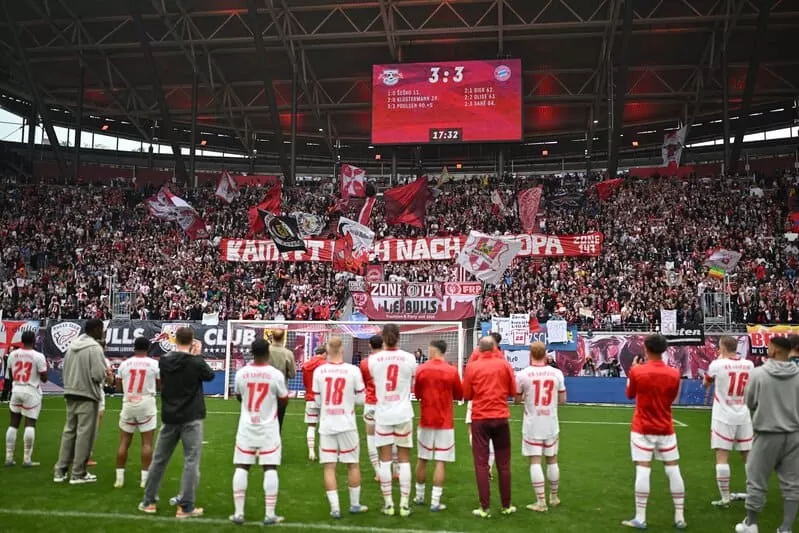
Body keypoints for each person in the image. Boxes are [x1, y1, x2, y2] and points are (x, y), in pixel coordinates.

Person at [139, 327, 214, 519]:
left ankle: (149, 501)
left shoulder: (165, 361)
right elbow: (209, 375)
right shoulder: (194, 362)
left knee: (159, 459)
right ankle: (185, 506)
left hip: (170, 415)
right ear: (192, 342)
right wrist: (197, 355)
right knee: (191, 461)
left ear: (175, 340)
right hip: (191, 416)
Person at [735, 337, 799, 533]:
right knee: (793, 484)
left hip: (767, 434)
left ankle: (751, 523)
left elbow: (750, 402)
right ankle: (786, 528)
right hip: (794, 435)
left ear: (775, 350)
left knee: (756, 480)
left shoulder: (758, 374)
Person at [622, 334, 686, 530]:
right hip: (665, 426)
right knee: (673, 469)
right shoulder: (674, 373)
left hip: (642, 427)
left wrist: (633, 370)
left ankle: (640, 517)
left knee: (643, 469)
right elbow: (672, 398)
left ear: (646, 349)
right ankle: (679, 516)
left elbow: (629, 394)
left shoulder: (637, 371)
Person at [230, 339, 288, 525]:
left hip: (247, 426)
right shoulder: (275, 375)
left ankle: (239, 513)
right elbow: (284, 399)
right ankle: (269, 514)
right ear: (268, 353)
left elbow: (238, 395)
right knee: (270, 467)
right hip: (269, 427)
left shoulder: (241, 373)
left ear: (252, 352)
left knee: (242, 466)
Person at [313, 336, 368, 518]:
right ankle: (355, 504)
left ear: (327, 350)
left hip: (327, 424)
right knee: (352, 465)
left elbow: (318, 400)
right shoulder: (353, 371)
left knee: (329, 467)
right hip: (347, 424)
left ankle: (335, 508)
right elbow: (361, 399)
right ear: (342, 349)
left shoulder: (319, 372)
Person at [462, 336, 517, 518]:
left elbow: (467, 394)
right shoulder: (504, 364)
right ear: (495, 348)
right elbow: (512, 391)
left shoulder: (472, 367)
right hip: (501, 417)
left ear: (479, 349)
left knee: (481, 463)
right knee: (504, 464)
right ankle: (506, 505)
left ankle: (484, 507)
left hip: (480, 418)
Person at [366, 323, 417, 517]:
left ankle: (388, 504)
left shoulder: (373, 360)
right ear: (399, 336)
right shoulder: (410, 358)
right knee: (404, 460)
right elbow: (411, 380)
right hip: (403, 413)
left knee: (385, 461)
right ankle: (404, 503)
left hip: (383, 414)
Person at [54, 319, 108, 485]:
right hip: (87, 394)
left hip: (71, 391)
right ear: (97, 329)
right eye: (101, 329)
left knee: (69, 432)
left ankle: (60, 471)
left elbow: (64, 369)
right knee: (85, 434)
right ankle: (78, 473)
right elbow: (98, 375)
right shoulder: (94, 348)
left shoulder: (72, 346)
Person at [515, 341, 566, 512]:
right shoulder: (557, 373)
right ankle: (554, 496)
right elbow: (563, 400)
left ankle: (541, 502)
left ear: (530, 354)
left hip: (532, 424)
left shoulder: (523, 374)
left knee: (535, 461)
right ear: (545, 354)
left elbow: (516, 400)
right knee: (552, 460)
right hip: (551, 422)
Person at [704, 335, 754, 507]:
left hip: (723, 415)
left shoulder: (717, 365)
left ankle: (725, 498)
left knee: (722, 455)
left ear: (723, 348)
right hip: (744, 413)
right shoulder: (749, 364)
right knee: (748, 455)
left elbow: (706, 383)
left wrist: (718, 361)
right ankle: (754, 494)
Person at [413, 339, 462, 511]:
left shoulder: (422, 369)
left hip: (426, 419)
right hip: (445, 422)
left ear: (432, 350)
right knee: (441, 461)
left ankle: (419, 496)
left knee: (422, 459)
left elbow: (417, 394)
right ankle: (435, 501)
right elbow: (458, 395)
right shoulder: (451, 371)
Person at [114, 337, 160, 489]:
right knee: (146, 443)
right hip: (146, 403)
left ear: (134, 348)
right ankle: (144, 480)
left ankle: (119, 479)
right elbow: (161, 385)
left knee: (124, 442)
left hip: (129, 403)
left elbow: (118, 387)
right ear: (148, 348)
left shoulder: (124, 364)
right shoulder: (154, 364)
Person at [4, 330, 48, 467]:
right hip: (31, 390)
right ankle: (27, 459)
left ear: (22, 340)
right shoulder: (38, 356)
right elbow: (44, 378)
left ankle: (9, 457)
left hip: (16, 389)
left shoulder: (12, 354)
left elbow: (10, 375)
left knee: (13, 424)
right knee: (30, 423)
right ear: (34, 341)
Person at [360, 335, 383, 479]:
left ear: (369, 345)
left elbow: (364, 382)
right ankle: (395, 469)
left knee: (371, 437)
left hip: (371, 403)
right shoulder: (388, 361)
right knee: (390, 435)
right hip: (386, 403)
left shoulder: (364, 363)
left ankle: (378, 472)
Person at [267, 329, 296, 433]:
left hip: (265, 390)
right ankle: (274, 445)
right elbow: (293, 374)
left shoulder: (265, 351)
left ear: (272, 337)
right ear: (283, 338)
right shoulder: (288, 353)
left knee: (264, 421)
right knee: (278, 422)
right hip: (281, 391)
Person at [303, 345, 328, 461]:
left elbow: (304, 382)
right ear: (324, 354)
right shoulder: (325, 365)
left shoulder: (306, 364)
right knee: (325, 427)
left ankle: (311, 452)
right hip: (323, 399)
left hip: (310, 398)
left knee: (311, 426)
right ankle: (324, 451)